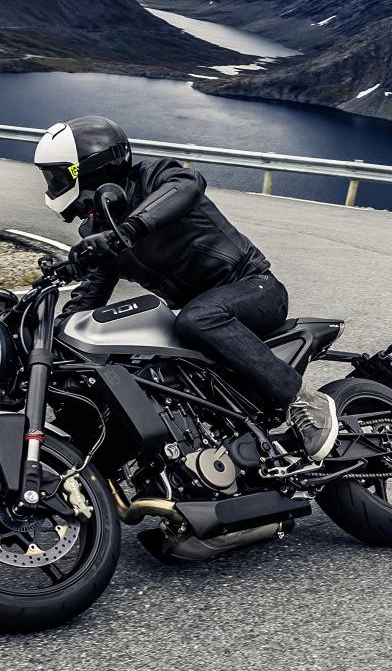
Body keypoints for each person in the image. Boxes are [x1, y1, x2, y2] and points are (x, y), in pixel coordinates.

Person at [32, 115, 339, 461]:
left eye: (58, 175)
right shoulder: (97, 232)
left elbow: (189, 184)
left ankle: (303, 399)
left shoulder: (155, 177)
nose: (53, 184)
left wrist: (130, 230)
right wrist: (51, 337)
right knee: (136, 359)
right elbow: (91, 295)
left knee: (196, 318)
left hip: (254, 289)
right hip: (198, 317)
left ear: (90, 168)